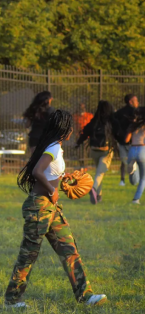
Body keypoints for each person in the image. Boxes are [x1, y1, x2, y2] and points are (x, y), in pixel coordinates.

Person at [4, 110, 107, 309]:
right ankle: (11, 300)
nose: (72, 130)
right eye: (70, 127)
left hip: (51, 208)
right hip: (39, 207)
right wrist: (52, 189)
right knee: (28, 255)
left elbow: (49, 171)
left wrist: (63, 177)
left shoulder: (55, 147)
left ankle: (85, 296)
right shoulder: (53, 147)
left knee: (69, 250)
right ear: (65, 129)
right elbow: (37, 171)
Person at [75, 101, 122, 204]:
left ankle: (99, 195)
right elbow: (119, 134)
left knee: (98, 172)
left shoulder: (94, 121)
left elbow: (84, 133)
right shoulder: (112, 121)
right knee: (100, 173)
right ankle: (94, 189)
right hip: (106, 151)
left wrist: (78, 143)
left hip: (94, 150)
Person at [114, 94, 139, 186]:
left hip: (121, 140)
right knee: (135, 160)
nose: (137, 102)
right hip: (133, 140)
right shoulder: (136, 113)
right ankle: (135, 178)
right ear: (130, 102)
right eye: (136, 100)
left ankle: (122, 180)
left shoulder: (119, 112)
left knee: (124, 161)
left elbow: (114, 124)